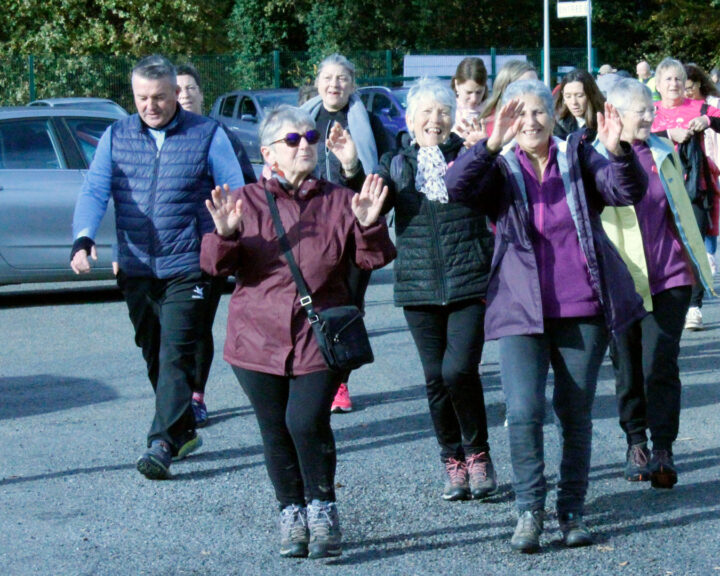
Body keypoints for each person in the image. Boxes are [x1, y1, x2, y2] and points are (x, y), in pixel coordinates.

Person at [445, 79, 648, 553]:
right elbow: (457, 189)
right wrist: (489, 145)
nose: (531, 122)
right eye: (520, 113)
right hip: (520, 309)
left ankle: (571, 509)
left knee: (574, 413)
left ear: (553, 116)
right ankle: (529, 510)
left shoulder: (577, 155)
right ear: (506, 119)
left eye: (538, 111)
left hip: (581, 308)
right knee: (523, 411)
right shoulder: (500, 166)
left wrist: (619, 152)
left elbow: (624, 191)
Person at [200, 105, 395, 559]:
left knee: (306, 421)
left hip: (318, 336)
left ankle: (322, 507)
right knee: (274, 429)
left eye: (309, 137)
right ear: (268, 153)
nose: (304, 144)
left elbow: (373, 259)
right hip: (256, 340)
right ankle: (290, 511)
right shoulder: (244, 201)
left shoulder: (339, 199)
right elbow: (213, 267)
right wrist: (225, 234)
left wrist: (369, 225)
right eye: (292, 140)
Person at [70, 55, 246, 479]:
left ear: (175, 93)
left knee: (176, 353)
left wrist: (232, 236)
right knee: (153, 352)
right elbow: (95, 190)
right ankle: (182, 430)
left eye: (160, 97)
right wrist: (83, 237)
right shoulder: (116, 136)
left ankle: (161, 443)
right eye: (142, 98)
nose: (151, 106)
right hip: (136, 265)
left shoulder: (207, 134)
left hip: (190, 264)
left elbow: (237, 192)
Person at [331, 78, 498, 502]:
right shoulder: (396, 162)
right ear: (410, 119)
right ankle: (453, 461)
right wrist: (351, 168)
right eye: (425, 112)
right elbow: (369, 202)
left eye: (442, 112)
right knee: (435, 378)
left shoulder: (468, 155)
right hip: (418, 287)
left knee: (459, 370)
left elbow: (495, 195)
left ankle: (478, 454)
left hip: (469, 280)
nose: (434, 120)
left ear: (453, 117)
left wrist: (483, 152)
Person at [600, 78, 714, 489]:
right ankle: (636, 443)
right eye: (642, 110)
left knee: (659, 364)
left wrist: (696, 261)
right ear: (615, 114)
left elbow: (681, 211)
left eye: (652, 108)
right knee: (627, 366)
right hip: (620, 281)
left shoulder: (663, 151)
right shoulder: (594, 157)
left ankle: (663, 448)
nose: (651, 115)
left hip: (669, 276)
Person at [300, 54, 395, 414]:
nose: (334, 85)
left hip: (356, 228)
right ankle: (315, 375)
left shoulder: (368, 122)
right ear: (318, 82)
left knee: (348, 306)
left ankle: (339, 381)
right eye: (328, 77)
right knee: (313, 303)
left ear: (352, 84)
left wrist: (352, 166)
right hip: (311, 228)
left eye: (342, 78)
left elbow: (382, 174)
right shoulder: (304, 120)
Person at [173, 63, 257, 427]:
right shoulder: (161, 139)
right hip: (167, 251)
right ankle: (171, 396)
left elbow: (246, 189)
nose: (184, 95)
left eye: (191, 88)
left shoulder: (220, 136)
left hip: (210, 248)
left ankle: (196, 396)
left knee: (197, 324)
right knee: (169, 329)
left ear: (202, 95)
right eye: (177, 89)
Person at [651, 58, 720, 331]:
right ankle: (661, 304)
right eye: (668, 79)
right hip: (656, 190)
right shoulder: (649, 111)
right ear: (658, 85)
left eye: (678, 79)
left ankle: (694, 307)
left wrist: (708, 119)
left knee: (693, 246)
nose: (674, 84)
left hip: (694, 188)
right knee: (658, 249)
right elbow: (631, 138)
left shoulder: (699, 107)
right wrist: (668, 133)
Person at [684, 63, 720, 272]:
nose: (687, 92)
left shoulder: (714, 103)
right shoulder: (680, 105)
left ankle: (709, 255)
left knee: (710, 212)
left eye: (690, 87)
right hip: (689, 166)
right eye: (683, 88)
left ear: (699, 83)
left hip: (712, 167)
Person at [479, 60, 538, 135]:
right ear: (505, 88)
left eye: (536, 84)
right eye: (525, 86)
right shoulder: (486, 125)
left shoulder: (542, 118)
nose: (533, 90)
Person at [553, 69, 604, 141]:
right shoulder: (559, 125)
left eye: (580, 95)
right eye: (568, 96)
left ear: (591, 95)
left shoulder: (605, 122)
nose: (574, 102)